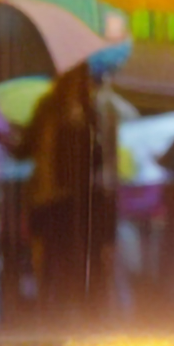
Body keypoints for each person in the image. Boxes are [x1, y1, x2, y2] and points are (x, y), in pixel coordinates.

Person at [20, 50, 125, 322]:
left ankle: (80, 314)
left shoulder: (92, 110)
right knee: (61, 260)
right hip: (60, 200)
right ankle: (61, 315)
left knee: (77, 261)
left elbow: (102, 156)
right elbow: (29, 150)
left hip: (77, 200)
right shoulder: (56, 109)